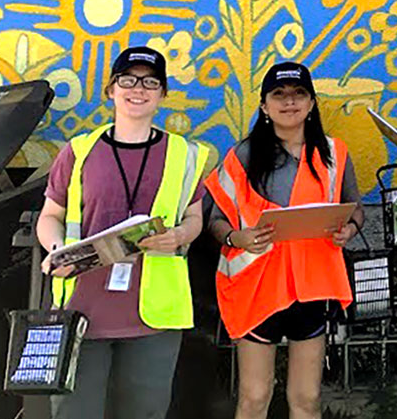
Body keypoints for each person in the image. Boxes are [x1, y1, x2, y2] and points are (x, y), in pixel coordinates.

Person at [35, 46, 212, 419]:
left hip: (155, 314)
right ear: (111, 90)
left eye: (151, 82)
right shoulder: (79, 151)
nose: (139, 89)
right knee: (74, 413)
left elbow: (195, 218)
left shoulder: (183, 154)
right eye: (128, 80)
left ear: (162, 94)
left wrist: (180, 236)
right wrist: (57, 250)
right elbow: (50, 215)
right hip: (81, 308)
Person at [203, 61, 364, 419]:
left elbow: (355, 208)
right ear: (264, 105)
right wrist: (237, 237)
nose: (289, 102)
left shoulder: (335, 153)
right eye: (279, 95)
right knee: (255, 397)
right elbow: (215, 220)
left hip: (312, 286)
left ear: (311, 103)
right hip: (257, 286)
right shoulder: (243, 156)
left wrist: (349, 229)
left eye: (298, 94)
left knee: (306, 400)